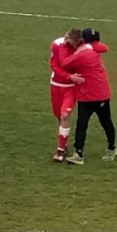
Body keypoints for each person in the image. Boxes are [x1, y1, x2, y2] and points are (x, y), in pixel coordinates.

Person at [61, 28, 116, 165]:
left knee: (96, 123)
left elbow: (65, 64)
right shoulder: (94, 48)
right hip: (91, 94)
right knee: (90, 123)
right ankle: (79, 153)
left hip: (97, 94)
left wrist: (63, 46)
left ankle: (111, 148)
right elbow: (102, 47)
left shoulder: (83, 54)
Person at [49, 30, 85, 162]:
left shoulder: (82, 47)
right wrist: (69, 76)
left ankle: (60, 150)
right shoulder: (56, 45)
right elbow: (54, 66)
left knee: (65, 115)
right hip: (56, 85)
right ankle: (63, 144)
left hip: (71, 88)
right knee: (59, 116)